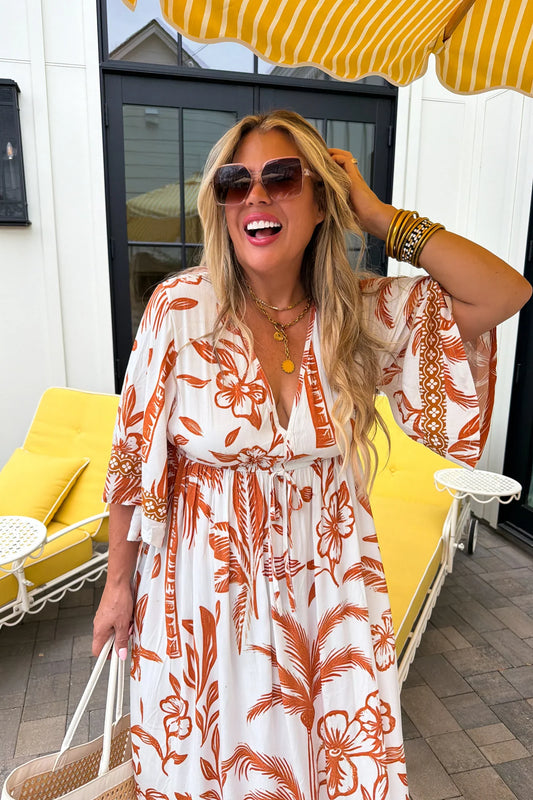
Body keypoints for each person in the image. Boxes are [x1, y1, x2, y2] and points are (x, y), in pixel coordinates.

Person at [93, 110, 531, 800]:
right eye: (235, 183)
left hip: (329, 592)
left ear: (323, 202)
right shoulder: (179, 309)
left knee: (332, 769)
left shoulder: (358, 314)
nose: (255, 197)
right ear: (220, 204)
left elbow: (504, 291)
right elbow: (131, 458)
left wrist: (381, 217)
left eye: (281, 178)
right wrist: (117, 586)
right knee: (211, 770)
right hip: (206, 597)